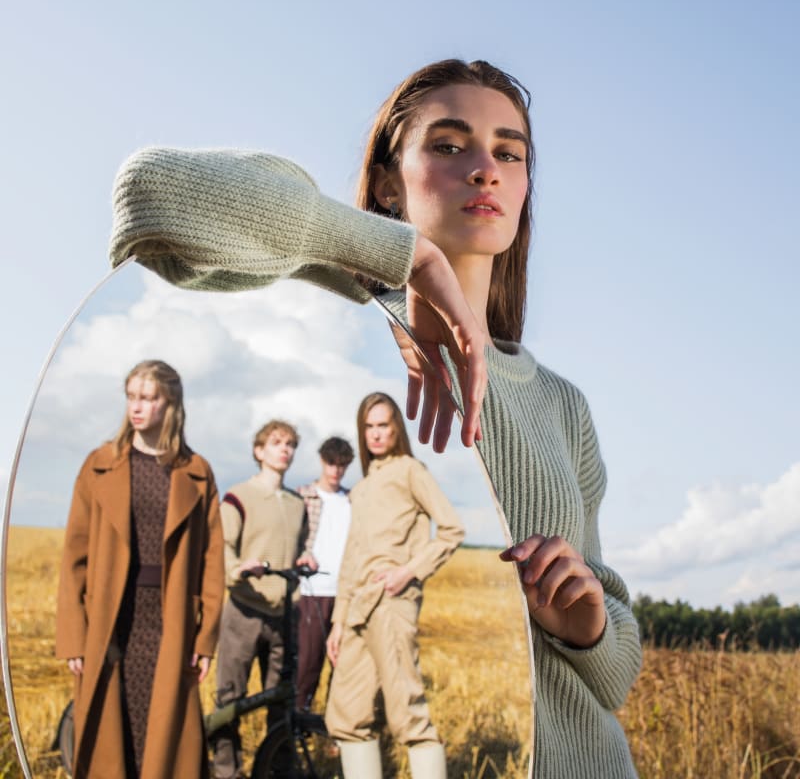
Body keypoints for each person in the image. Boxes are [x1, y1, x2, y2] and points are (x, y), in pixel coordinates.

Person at [109, 58, 643, 777]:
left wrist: (589, 627)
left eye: (509, 153)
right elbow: (150, 196)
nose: (485, 169)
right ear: (389, 182)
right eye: (449, 145)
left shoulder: (561, 405)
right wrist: (398, 257)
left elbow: (617, 676)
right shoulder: (346, 338)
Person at [55, 359, 224, 779]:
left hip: (170, 621)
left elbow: (212, 563)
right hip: (110, 619)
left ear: (171, 404)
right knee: (113, 737)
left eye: (149, 398)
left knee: (164, 735)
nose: (137, 407)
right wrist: (74, 637)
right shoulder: (99, 465)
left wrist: (204, 640)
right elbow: (74, 557)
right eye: (132, 396)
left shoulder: (196, 472)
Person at [324, 392, 464, 777]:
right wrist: (337, 623)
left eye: (383, 425)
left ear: (396, 428)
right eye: (368, 426)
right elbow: (351, 559)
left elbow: (452, 529)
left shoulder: (410, 470)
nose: (376, 433)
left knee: (407, 712)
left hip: (391, 601)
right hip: (357, 608)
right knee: (346, 714)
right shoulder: (363, 487)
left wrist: (408, 572)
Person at [212, 420, 314, 779]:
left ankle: (276, 770)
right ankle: (227, 772)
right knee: (230, 699)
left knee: (281, 701)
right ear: (259, 451)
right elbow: (222, 545)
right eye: (275, 442)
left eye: (289, 444)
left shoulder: (297, 503)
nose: (283, 449)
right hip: (244, 610)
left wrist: (305, 559)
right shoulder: (238, 496)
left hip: (283, 613)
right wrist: (239, 569)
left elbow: (299, 546)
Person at [295, 436, 355, 711]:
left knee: (343, 664)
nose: (336, 470)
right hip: (311, 591)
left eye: (342, 465)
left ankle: (335, 727)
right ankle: (299, 723)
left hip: (344, 593)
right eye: (332, 463)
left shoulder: (353, 500)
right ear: (322, 461)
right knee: (307, 663)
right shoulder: (302, 496)